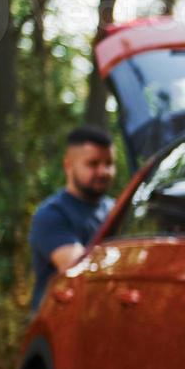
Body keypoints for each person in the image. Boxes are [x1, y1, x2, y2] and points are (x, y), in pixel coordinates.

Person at [29, 126, 117, 311]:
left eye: (108, 163)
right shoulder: (52, 214)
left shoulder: (116, 209)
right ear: (68, 165)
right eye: (93, 164)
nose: (103, 171)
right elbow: (80, 270)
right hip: (56, 327)